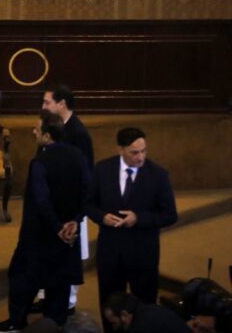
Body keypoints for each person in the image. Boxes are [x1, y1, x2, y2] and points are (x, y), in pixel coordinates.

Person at [0, 114, 89, 333]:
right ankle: (55, 324)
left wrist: (56, 228)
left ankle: (16, 322)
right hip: (69, 236)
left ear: (47, 135)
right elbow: (86, 193)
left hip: (39, 237)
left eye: (37, 129)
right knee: (59, 283)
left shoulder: (40, 163)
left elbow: (41, 201)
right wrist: (73, 222)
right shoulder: (79, 156)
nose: (33, 132)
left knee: (21, 278)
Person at [86, 128, 178, 332]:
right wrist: (101, 217)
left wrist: (139, 218)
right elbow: (88, 204)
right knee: (109, 303)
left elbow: (170, 215)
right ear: (120, 149)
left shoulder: (158, 175)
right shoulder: (102, 170)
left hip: (143, 252)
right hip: (110, 251)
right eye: (134, 152)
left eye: (143, 151)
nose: (140, 157)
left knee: (145, 305)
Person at [39, 84, 94, 313]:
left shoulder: (78, 133)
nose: (43, 106)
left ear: (61, 104)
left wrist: (77, 211)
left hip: (70, 207)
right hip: (53, 204)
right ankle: (48, 297)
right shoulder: (51, 127)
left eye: (47, 102)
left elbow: (86, 173)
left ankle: (68, 302)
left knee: (70, 255)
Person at [102, 292, 191, 332]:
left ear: (124, 315)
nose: (114, 328)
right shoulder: (152, 308)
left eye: (114, 323)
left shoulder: (138, 328)